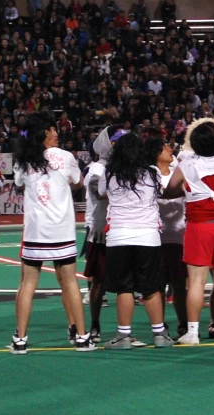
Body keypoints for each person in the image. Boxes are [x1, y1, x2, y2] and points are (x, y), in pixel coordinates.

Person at [11, 111, 95, 354]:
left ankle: (21, 340)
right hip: (62, 231)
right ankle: (81, 337)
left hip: (36, 230)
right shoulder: (66, 156)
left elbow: (18, 183)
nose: (57, 133)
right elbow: (78, 181)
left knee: (27, 284)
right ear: (44, 132)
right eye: (53, 129)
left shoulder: (24, 159)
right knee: (70, 282)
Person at [164, 121, 214, 345]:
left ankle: (192, 332)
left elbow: (170, 189)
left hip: (199, 227)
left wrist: (187, 190)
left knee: (197, 281)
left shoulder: (186, 164)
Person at [100, 133, 173, 350]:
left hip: (119, 236)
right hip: (148, 236)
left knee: (125, 288)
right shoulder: (152, 173)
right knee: (150, 288)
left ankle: (123, 336)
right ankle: (160, 334)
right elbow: (161, 191)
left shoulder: (110, 172)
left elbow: (101, 193)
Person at [146, 134, 188, 338]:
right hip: (157, 237)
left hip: (179, 235)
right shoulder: (149, 175)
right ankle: (159, 326)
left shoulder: (177, 172)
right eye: (165, 148)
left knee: (180, 285)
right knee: (158, 285)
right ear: (156, 153)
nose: (170, 150)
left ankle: (184, 324)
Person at [81, 126, 119, 344]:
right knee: (98, 281)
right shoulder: (96, 169)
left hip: (123, 227)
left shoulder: (121, 166)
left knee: (128, 284)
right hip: (101, 228)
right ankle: (95, 324)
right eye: (114, 141)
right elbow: (100, 193)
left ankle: (125, 329)